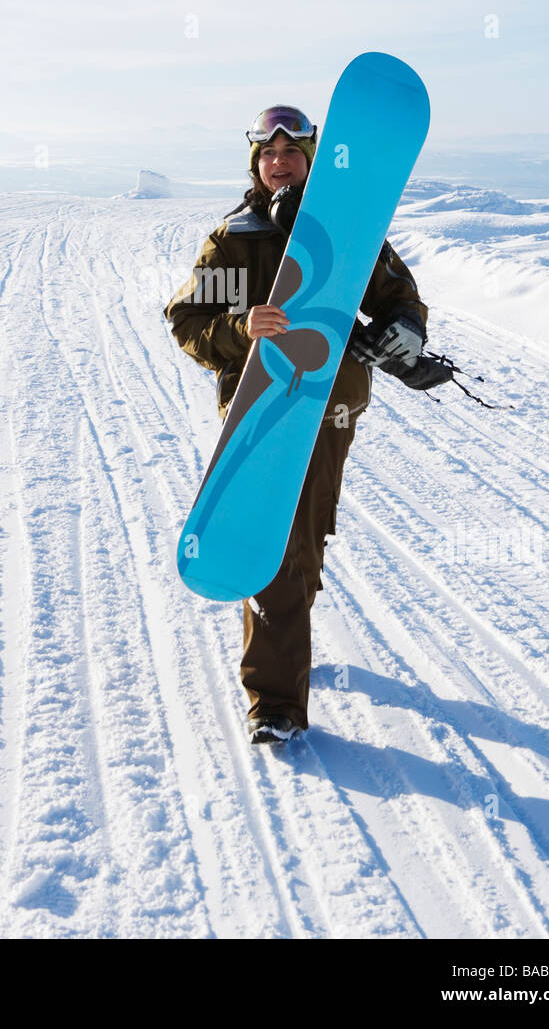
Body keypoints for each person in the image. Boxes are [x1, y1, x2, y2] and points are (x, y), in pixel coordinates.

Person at [163, 105, 429, 744]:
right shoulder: (236, 239)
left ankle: (286, 633)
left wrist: (402, 332)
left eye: (292, 153)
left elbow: (401, 300)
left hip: (332, 406)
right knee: (271, 546)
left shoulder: (348, 230)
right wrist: (238, 327)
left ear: (311, 160)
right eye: (268, 153)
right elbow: (188, 322)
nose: (279, 162)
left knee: (306, 537)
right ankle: (275, 701)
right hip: (257, 410)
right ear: (256, 163)